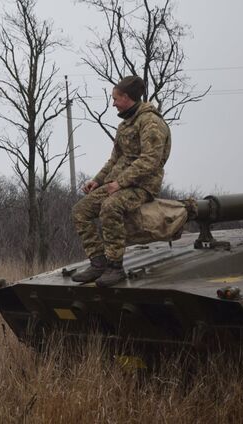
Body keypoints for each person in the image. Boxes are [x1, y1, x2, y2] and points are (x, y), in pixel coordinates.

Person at [71, 76, 171, 287]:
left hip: (142, 186)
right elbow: (115, 159)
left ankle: (115, 267)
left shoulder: (151, 122)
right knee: (81, 211)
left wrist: (121, 183)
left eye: (115, 98)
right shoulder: (125, 125)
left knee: (110, 207)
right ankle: (98, 264)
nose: (113, 103)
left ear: (126, 97)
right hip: (118, 183)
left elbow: (150, 160)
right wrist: (97, 181)